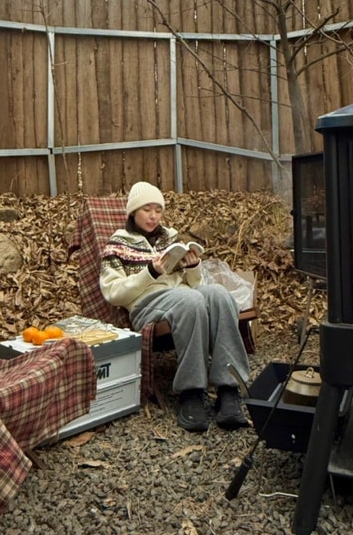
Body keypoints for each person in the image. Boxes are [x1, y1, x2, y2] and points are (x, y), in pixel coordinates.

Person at [99, 181, 251, 432]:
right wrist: (150, 272)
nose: (153, 216)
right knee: (191, 301)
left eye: (158, 210)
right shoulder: (118, 244)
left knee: (220, 296)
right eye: (147, 209)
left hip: (181, 295)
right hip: (146, 304)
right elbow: (113, 293)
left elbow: (195, 284)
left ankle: (228, 388)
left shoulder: (169, 237)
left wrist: (193, 267)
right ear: (133, 212)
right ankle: (191, 393)